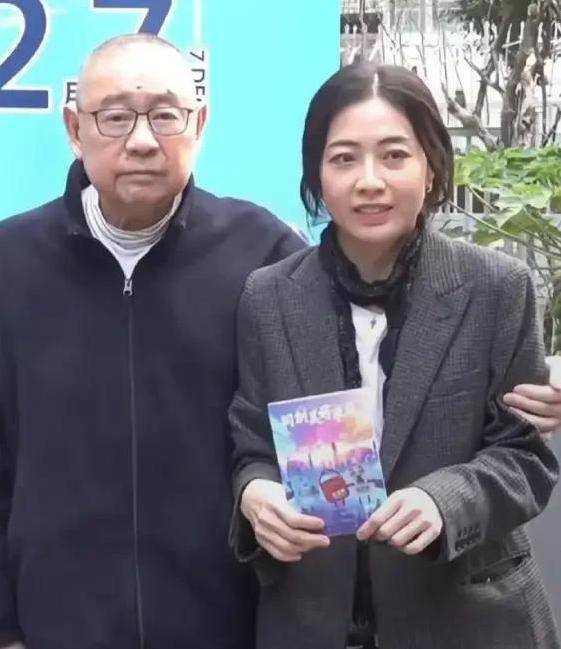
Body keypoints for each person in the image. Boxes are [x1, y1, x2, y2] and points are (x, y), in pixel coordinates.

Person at [229, 63, 560, 649]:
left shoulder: (497, 288)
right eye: (344, 159)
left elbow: (524, 456)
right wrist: (256, 495)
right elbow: (253, 446)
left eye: (394, 156)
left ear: (431, 168)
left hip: (465, 618)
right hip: (312, 617)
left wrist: (445, 500)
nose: (370, 181)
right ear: (316, 175)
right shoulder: (269, 297)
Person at [0, 33, 305, 649]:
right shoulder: (10, 262)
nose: (141, 140)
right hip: (55, 627)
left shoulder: (265, 253)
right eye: (114, 117)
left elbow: (348, 373)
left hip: (226, 625)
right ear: (74, 129)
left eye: (166, 115)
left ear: (200, 124)